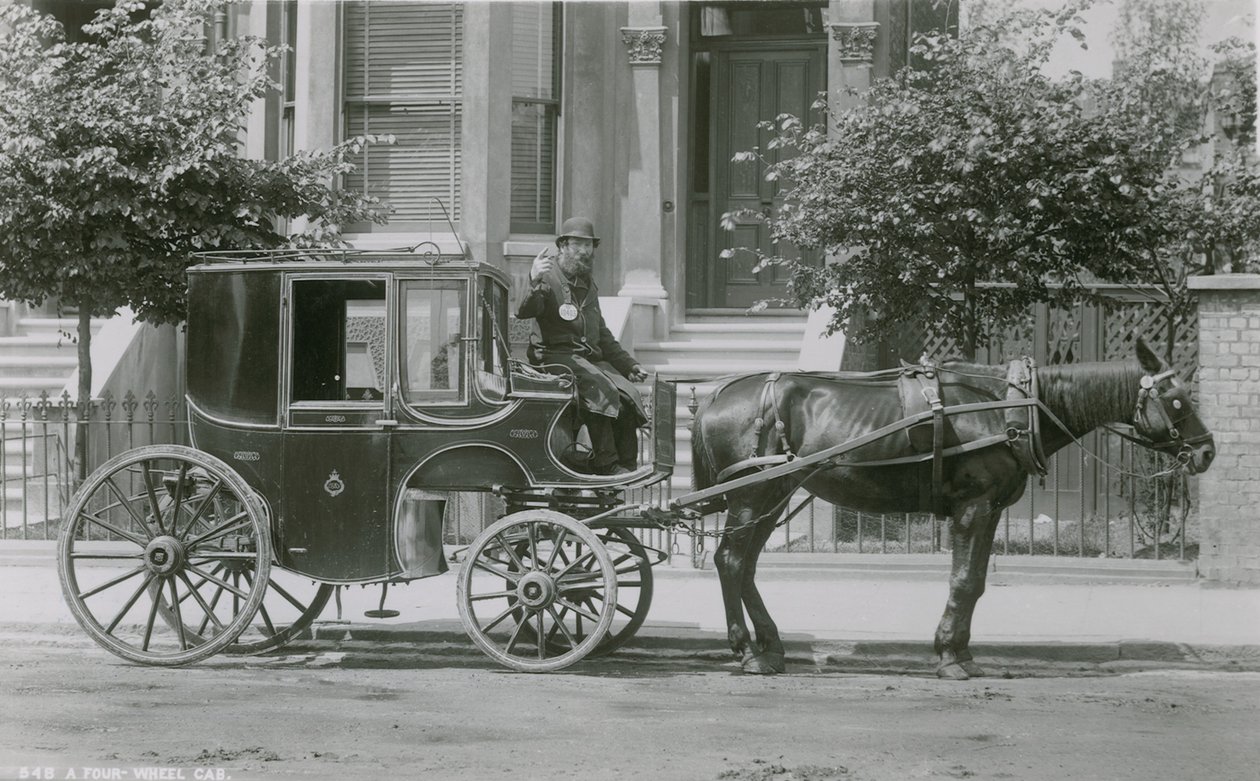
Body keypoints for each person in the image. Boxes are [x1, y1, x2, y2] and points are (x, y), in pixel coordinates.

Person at [516, 217, 649, 475]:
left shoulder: (588, 284)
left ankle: (627, 465)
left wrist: (628, 364)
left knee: (626, 396)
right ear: (563, 246)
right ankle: (606, 464)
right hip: (555, 358)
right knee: (598, 390)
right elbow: (523, 311)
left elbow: (602, 333)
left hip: (588, 361)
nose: (585, 251)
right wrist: (533, 279)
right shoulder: (547, 276)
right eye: (578, 244)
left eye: (589, 246)